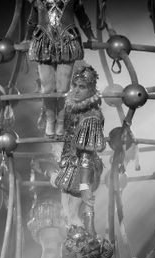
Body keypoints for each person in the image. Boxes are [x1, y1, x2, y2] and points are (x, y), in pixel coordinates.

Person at [25, 0, 96, 137]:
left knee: (63, 88)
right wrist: (27, 39)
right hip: (43, 41)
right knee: (47, 89)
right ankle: (50, 121)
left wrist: (91, 36)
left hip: (68, 40)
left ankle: (61, 122)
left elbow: (82, 17)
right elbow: (32, 20)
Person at [53, 62, 105, 236]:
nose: (75, 90)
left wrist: (84, 185)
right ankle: (79, 245)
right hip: (70, 165)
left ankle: (86, 246)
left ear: (91, 90)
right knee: (67, 216)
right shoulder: (73, 108)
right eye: (74, 85)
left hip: (82, 171)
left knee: (75, 216)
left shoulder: (92, 117)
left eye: (81, 87)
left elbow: (86, 155)